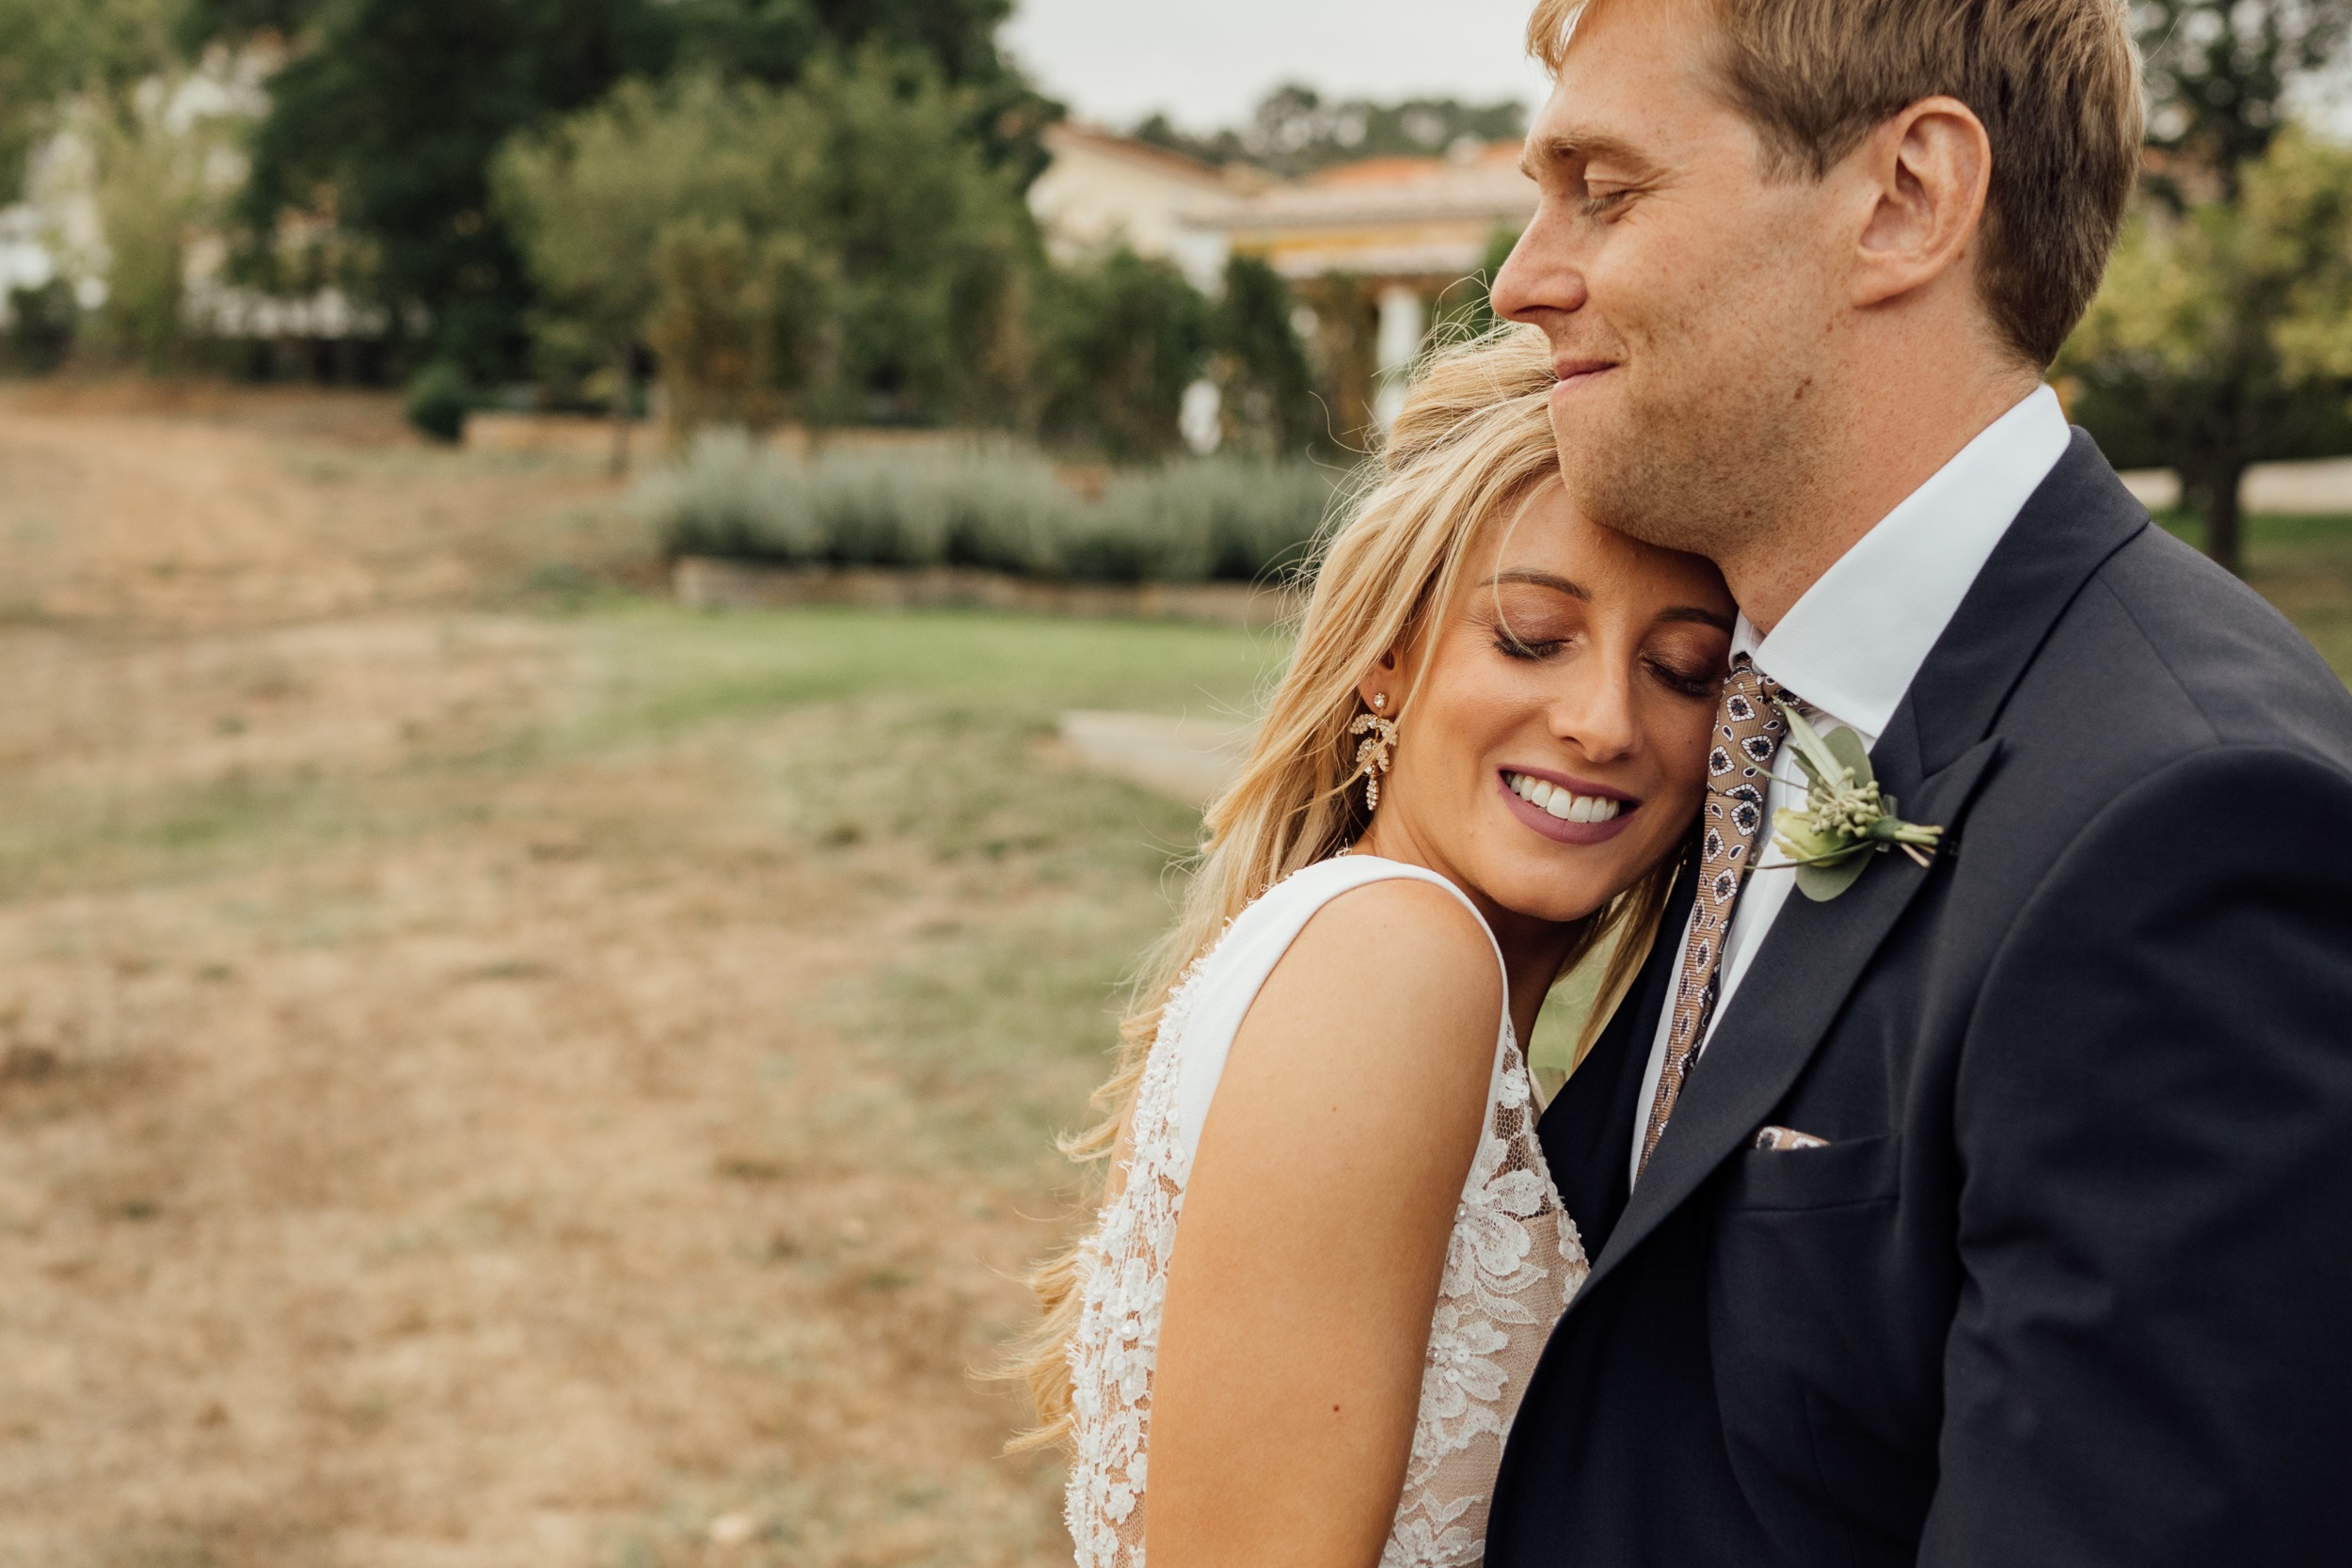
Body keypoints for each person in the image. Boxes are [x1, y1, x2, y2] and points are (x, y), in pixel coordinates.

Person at [1484, 1, 2352, 1564]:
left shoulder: (2187, 826)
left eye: (1604, 192)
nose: (1522, 279)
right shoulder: (1741, 711)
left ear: (1905, 199)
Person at [1017, 325, 1735, 1567]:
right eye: (1532, 636)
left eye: (1684, 670)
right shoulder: (1393, 961)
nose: (1605, 722)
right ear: (1387, 659)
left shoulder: (1369, 958)